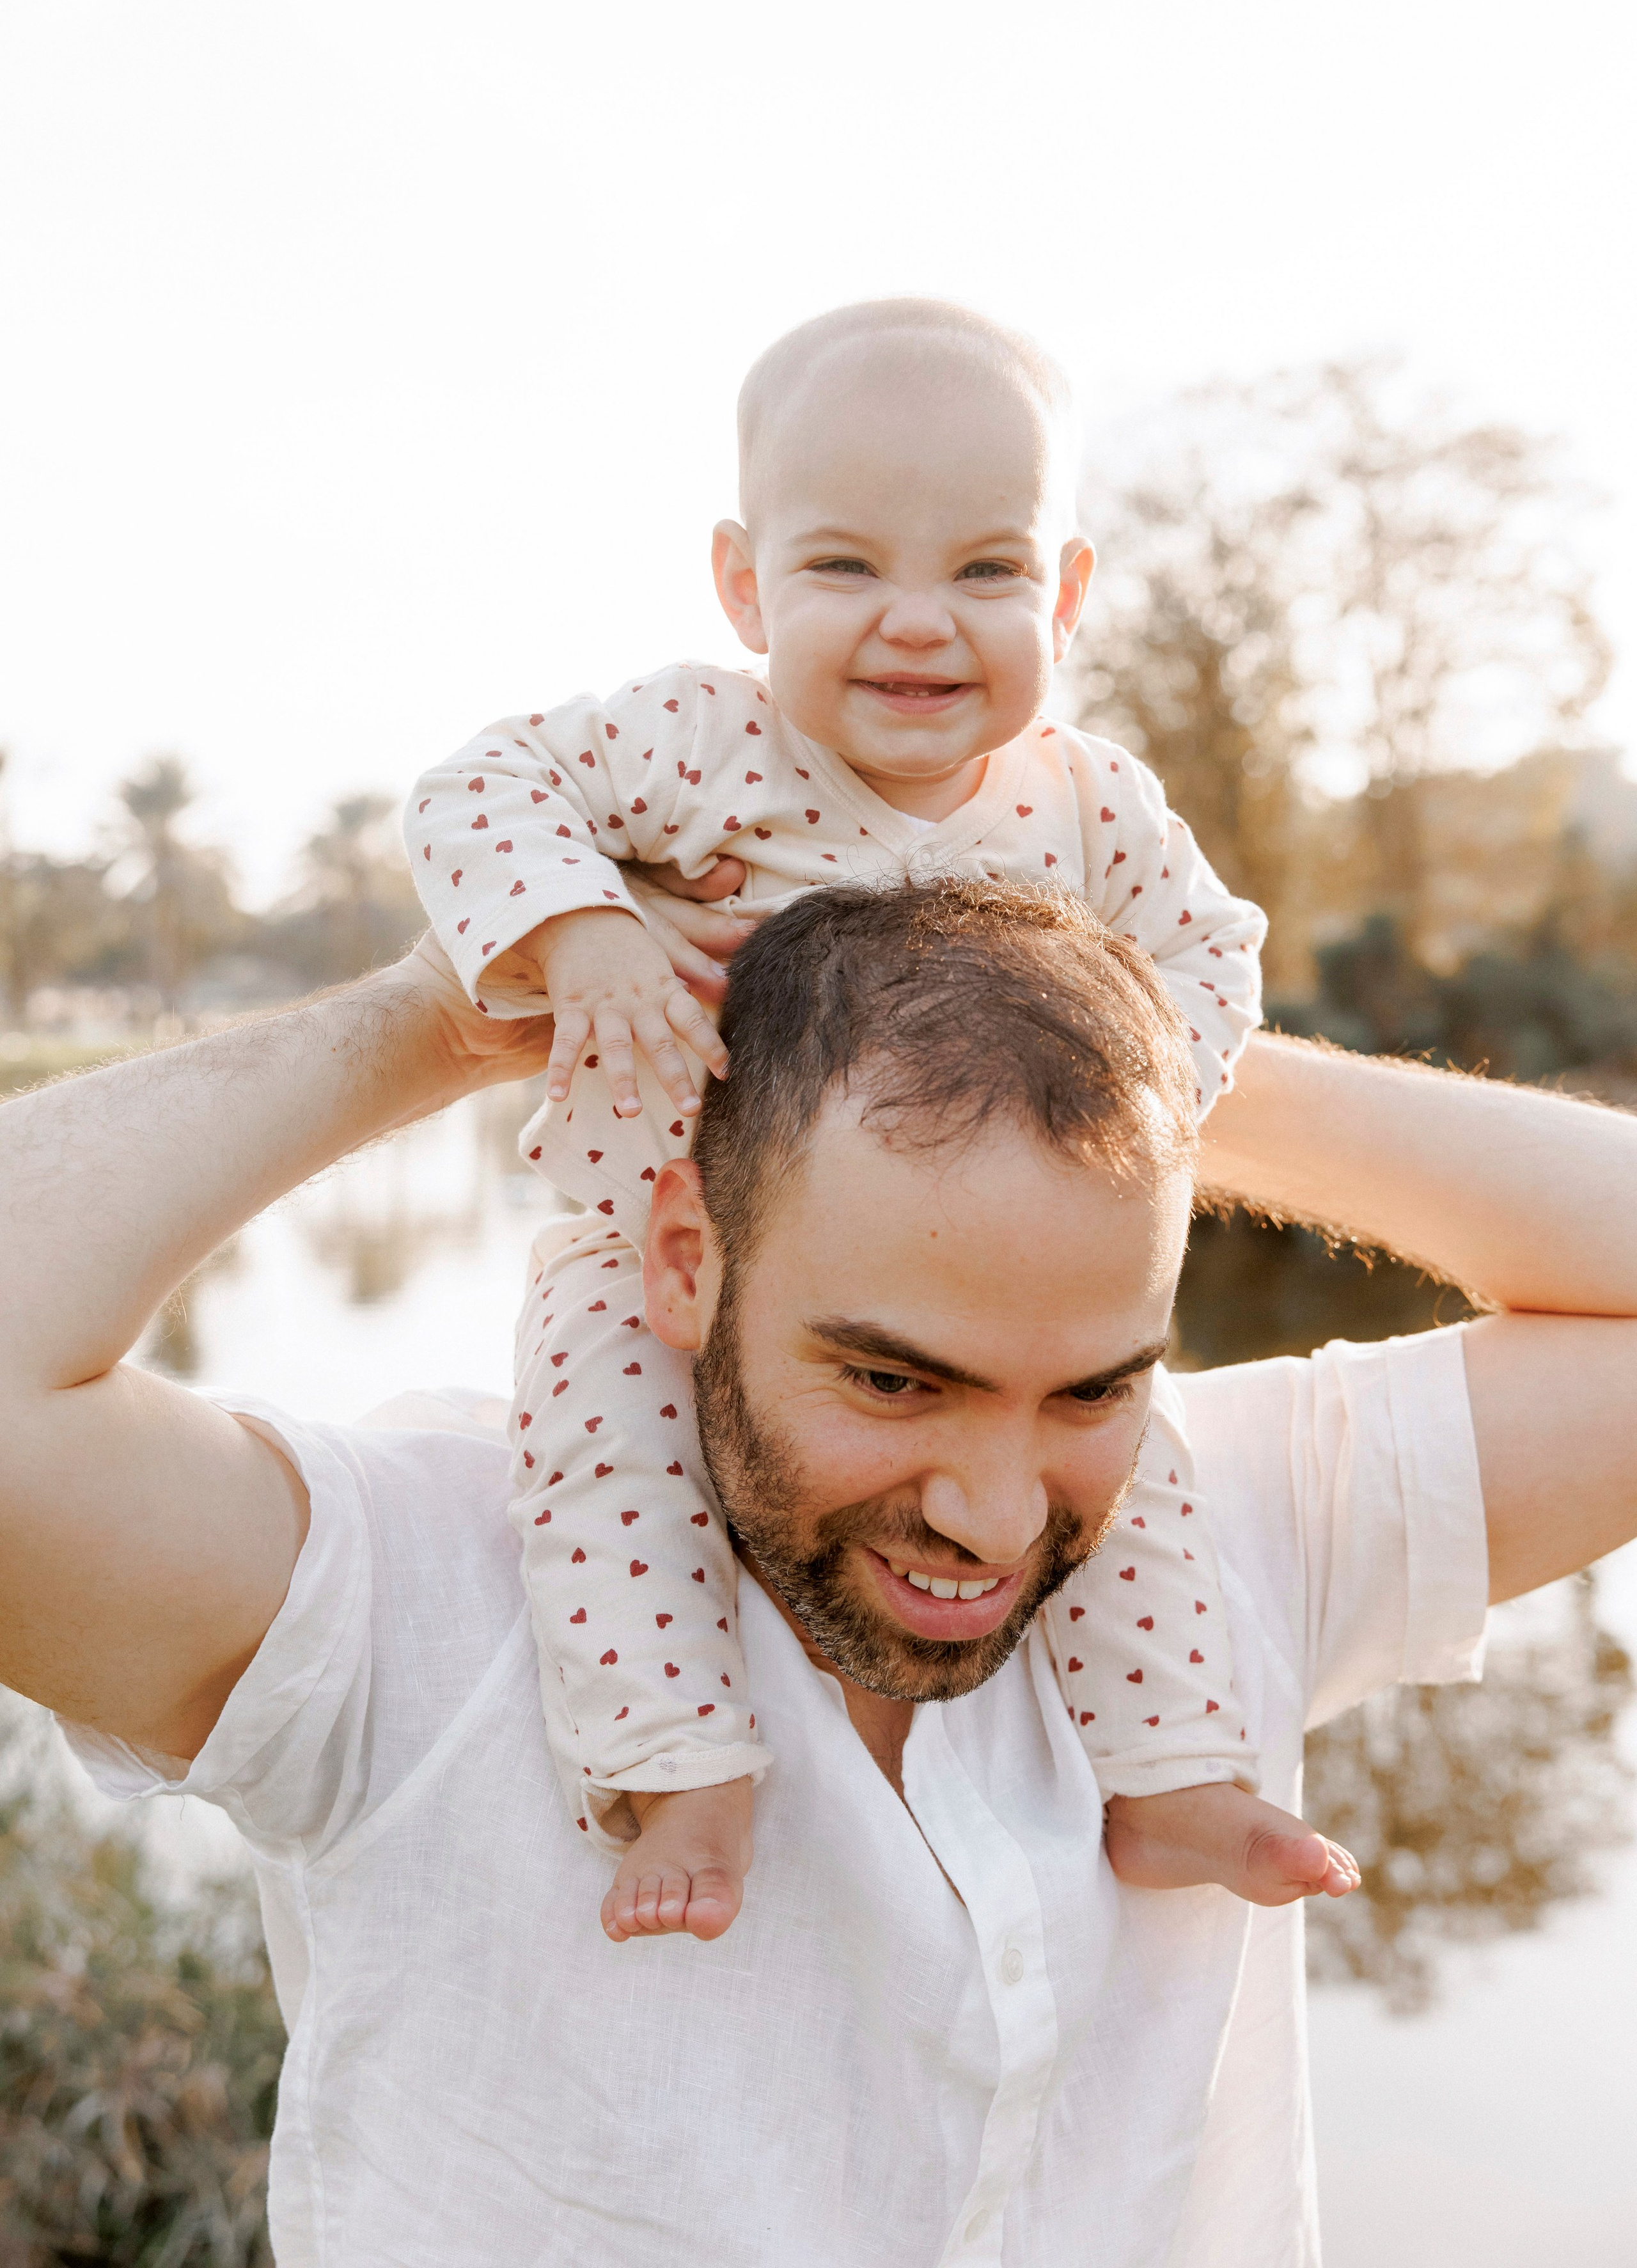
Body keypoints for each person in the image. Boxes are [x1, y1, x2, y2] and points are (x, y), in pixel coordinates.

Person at [3, 880, 1636, 2267]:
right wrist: (441, 1015)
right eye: (891, 1381)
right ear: (679, 1260)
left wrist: (1110, 1027)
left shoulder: (1219, 1541)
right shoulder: (407, 1587)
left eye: (1090, 1388)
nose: (1000, 1521)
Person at [406, 295, 1338, 1942]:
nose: (918, 622)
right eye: (845, 569)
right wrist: (588, 934)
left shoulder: (1085, 801)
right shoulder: (702, 744)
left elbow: (1212, 953)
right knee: (602, 1464)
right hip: (653, 1229)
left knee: (1132, 1477)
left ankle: (1175, 1774)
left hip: (988, 1293)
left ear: (1061, 595)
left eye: (983, 572)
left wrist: (1142, 1104)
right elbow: (476, 790)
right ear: (745, 586)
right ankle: (678, 1765)